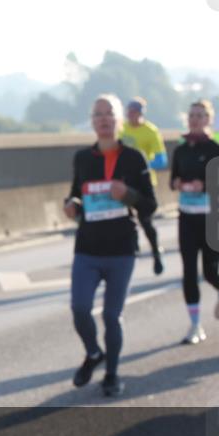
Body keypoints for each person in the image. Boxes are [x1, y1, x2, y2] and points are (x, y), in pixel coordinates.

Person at [64, 94, 156, 396]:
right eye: (98, 114)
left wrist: (127, 194)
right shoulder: (83, 158)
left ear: (118, 120)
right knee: (79, 308)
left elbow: (149, 206)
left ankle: (112, 374)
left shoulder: (133, 158)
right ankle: (94, 353)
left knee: (111, 316)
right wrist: (72, 205)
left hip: (121, 249)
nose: (103, 119)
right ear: (92, 121)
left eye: (109, 114)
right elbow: (76, 193)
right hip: (88, 247)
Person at [170, 100, 219, 345]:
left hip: (213, 217)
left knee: (209, 271)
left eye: (200, 115)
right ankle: (195, 325)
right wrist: (177, 184)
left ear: (208, 119)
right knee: (189, 271)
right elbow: (173, 179)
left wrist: (207, 186)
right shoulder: (180, 150)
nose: (195, 119)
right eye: (191, 115)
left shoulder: (215, 148)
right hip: (187, 216)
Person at [119, 97, 167, 275]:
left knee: (146, 221)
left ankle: (156, 252)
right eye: (128, 112)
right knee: (125, 218)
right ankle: (133, 247)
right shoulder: (121, 129)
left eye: (134, 112)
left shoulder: (151, 131)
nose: (131, 116)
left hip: (144, 182)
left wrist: (144, 165)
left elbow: (162, 159)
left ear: (140, 113)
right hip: (124, 182)